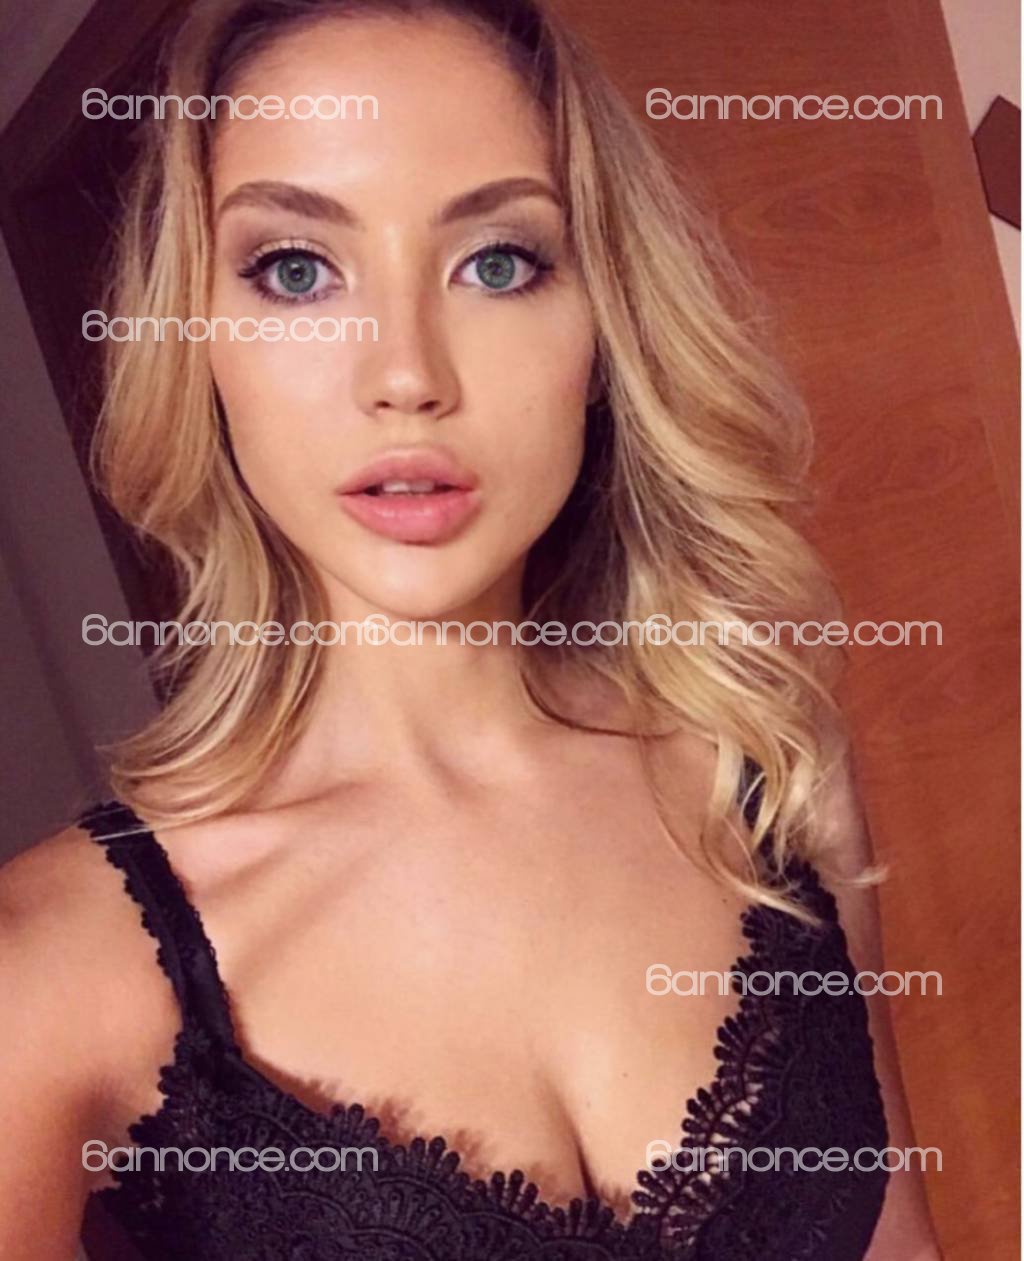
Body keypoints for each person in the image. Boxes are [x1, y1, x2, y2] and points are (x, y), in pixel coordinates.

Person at [0, 0, 942, 1257]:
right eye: (296, 269)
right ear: (198, 339)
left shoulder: (765, 765)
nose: (406, 374)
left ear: (605, 321)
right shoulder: (50, 977)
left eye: (497, 263)